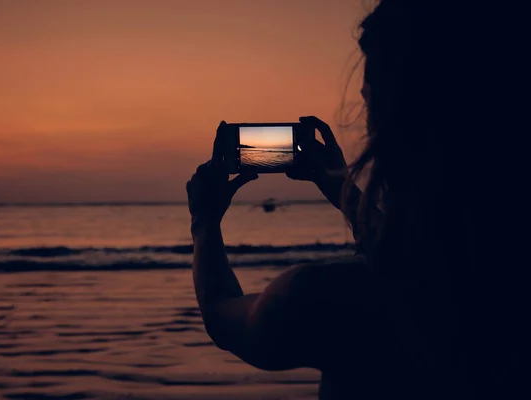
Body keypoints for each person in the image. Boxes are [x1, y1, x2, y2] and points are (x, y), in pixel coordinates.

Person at [186, 1, 526, 398]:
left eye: (369, 103)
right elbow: (418, 255)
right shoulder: (505, 281)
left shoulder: (331, 300)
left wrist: (204, 223)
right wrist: (342, 189)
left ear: (397, 123)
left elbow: (222, 315)